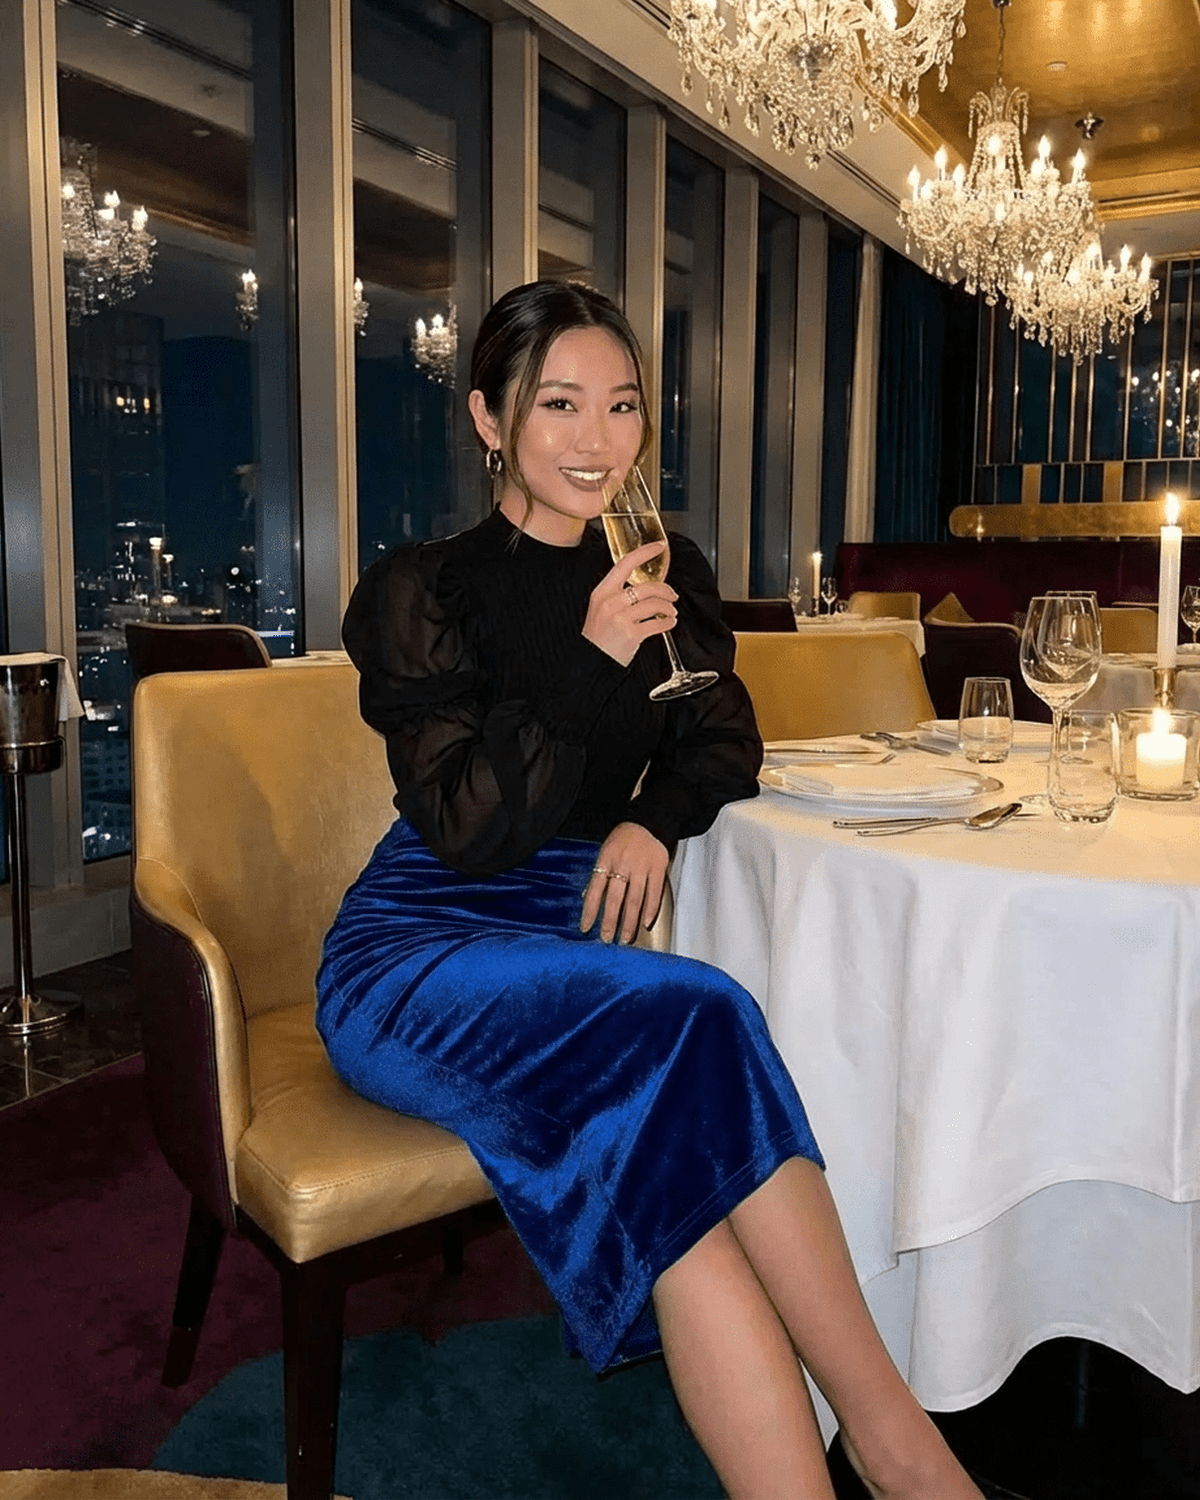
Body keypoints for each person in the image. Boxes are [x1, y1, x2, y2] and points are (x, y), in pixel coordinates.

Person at [316, 279, 981, 1500]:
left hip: (575, 938)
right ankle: (905, 1454)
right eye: (558, 402)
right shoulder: (420, 589)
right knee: (705, 1009)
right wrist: (593, 654)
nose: (596, 438)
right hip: (420, 953)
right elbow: (465, 826)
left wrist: (650, 822)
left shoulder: (663, 569)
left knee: (678, 1185)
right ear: (488, 418)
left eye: (621, 407)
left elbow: (724, 744)